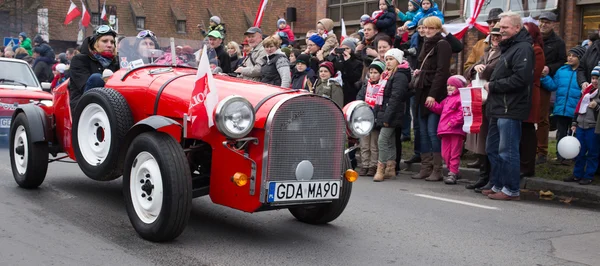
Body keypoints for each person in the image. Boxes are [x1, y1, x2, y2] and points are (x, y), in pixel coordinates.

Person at [483, 11, 534, 201]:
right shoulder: (508, 48)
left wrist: (493, 86)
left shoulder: (523, 48)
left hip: (510, 108)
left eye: (505, 27)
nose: (501, 30)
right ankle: (498, 184)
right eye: (499, 27)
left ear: (517, 28)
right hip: (498, 107)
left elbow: (521, 78)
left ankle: (511, 189)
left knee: (508, 150)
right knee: (493, 149)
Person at [411, 16, 452, 182]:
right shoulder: (425, 43)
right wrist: (418, 73)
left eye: (431, 28)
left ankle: (437, 169)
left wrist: (433, 94)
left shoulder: (442, 44)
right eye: (425, 28)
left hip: (434, 93)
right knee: (422, 132)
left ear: (438, 29)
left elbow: (442, 71)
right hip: (422, 90)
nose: (427, 31)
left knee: (432, 132)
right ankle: (425, 166)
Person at [463, 25, 502, 191]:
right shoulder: (486, 52)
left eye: (499, 36)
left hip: (493, 100)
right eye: (493, 35)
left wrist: (483, 69)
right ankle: (483, 176)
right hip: (480, 99)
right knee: (481, 140)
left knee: (489, 141)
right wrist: (474, 68)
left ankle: (491, 178)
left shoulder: (504, 53)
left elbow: (493, 72)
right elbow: (467, 71)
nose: (495, 38)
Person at [540, 46, 586, 165]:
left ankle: (574, 156)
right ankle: (560, 155)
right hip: (561, 108)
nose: (570, 58)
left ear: (580, 58)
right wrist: (544, 78)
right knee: (561, 132)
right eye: (569, 55)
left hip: (575, 110)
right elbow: (553, 86)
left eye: (573, 56)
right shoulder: (562, 71)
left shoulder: (583, 73)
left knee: (574, 133)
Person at [372, 49, 411, 182]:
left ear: (398, 61)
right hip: (387, 112)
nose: (388, 62)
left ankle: (380, 169)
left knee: (382, 140)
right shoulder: (388, 75)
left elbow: (395, 98)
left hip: (392, 113)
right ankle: (390, 168)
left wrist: (387, 117)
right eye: (387, 59)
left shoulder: (399, 76)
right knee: (390, 141)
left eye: (391, 59)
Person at [537, 11, 567, 165]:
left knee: (542, 118)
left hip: (545, 82)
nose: (543, 24)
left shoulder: (558, 42)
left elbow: (562, 61)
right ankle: (527, 148)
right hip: (529, 82)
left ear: (553, 24)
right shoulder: (532, 38)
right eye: (542, 21)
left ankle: (541, 151)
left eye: (547, 22)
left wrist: (549, 68)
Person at [427, 75, 467, 184]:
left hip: (455, 130)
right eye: (448, 85)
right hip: (445, 130)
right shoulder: (447, 99)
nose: (449, 87)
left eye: (452, 85)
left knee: (454, 152)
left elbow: (462, 113)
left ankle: (452, 172)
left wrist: (453, 122)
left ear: (458, 87)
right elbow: (440, 109)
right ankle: (454, 171)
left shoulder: (461, 98)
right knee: (445, 154)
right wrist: (432, 105)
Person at [68, 25, 119, 109]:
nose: (109, 45)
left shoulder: (117, 62)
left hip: (115, 106)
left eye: (112, 42)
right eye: (105, 41)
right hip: (84, 109)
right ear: (95, 43)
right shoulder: (80, 60)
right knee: (96, 78)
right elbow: (86, 87)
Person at [565, 65, 600, 185]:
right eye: (593, 78)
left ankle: (589, 175)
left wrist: (597, 107)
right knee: (579, 151)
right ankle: (577, 174)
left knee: (592, 153)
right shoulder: (586, 91)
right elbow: (578, 107)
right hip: (581, 125)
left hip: (593, 127)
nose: (595, 81)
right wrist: (575, 122)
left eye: (598, 78)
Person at [520, 22, 546, 178]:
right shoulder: (523, 48)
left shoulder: (536, 50)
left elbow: (532, 74)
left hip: (529, 93)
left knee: (528, 130)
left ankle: (527, 166)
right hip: (520, 94)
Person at [356, 60, 386, 176]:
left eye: (375, 73)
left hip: (375, 118)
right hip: (364, 119)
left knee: (374, 145)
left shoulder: (382, 86)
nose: (372, 75)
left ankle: (373, 165)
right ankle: (365, 164)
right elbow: (359, 97)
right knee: (364, 144)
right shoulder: (366, 85)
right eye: (371, 72)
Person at [463, 8, 503, 78]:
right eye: (490, 22)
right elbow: (467, 68)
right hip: (479, 84)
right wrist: (475, 67)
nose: (492, 24)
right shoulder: (479, 44)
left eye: (496, 21)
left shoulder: (508, 45)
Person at [328, 37, 363, 105]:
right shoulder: (338, 60)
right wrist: (332, 55)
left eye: (347, 48)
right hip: (338, 91)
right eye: (342, 48)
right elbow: (328, 67)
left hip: (350, 93)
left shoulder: (358, 62)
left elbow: (353, 78)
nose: (345, 51)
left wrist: (348, 61)